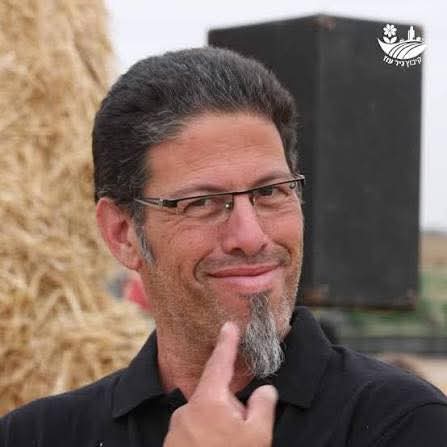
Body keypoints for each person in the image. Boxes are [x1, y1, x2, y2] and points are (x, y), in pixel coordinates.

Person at [1, 47, 446, 446]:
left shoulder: (406, 424)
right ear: (122, 233)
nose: (250, 237)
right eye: (202, 202)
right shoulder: (35, 435)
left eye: (270, 192)